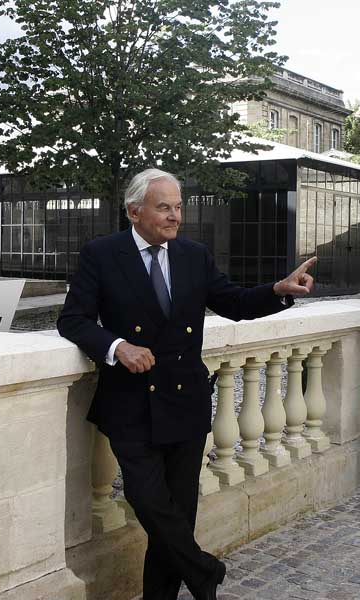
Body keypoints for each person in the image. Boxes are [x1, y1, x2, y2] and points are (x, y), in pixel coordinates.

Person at [57, 168, 317, 600]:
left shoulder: (193, 255)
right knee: (149, 502)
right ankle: (205, 571)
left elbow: (233, 302)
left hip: (185, 402)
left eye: (178, 207)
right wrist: (118, 346)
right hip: (130, 404)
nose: (175, 216)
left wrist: (278, 290)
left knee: (178, 513)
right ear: (134, 211)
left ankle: (182, 589)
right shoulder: (101, 254)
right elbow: (73, 320)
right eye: (164, 208)